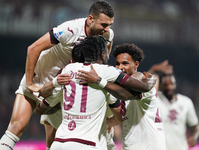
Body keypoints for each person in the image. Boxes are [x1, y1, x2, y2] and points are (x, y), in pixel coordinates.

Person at [0, 1, 115, 150]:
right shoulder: (69, 30)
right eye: (104, 25)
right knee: (16, 128)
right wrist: (29, 83)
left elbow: (103, 59)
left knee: (55, 142)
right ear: (91, 18)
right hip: (39, 78)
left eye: (109, 25)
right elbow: (33, 48)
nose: (107, 29)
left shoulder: (107, 35)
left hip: (60, 86)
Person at [36, 36, 156, 149]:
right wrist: (152, 77)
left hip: (59, 142)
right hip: (86, 144)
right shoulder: (106, 72)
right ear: (103, 55)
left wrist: (58, 98)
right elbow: (140, 90)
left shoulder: (67, 70)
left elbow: (40, 109)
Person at [78, 43, 166, 150]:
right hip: (132, 145)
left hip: (148, 146)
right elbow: (120, 118)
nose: (120, 68)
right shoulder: (120, 88)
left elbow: (125, 95)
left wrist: (98, 81)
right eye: (117, 64)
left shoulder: (142, 82)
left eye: (125, 63)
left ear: (136, 64)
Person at [158, 73, 199, 150]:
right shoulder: (155, 101)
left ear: (176, 84)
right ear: (159, 85)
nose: (169, 87)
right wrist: (154, 69)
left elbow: (195, 126)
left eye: (172, 84)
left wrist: (194, 137)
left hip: (181, 148)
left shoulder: (186, 102)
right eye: (165, 84)